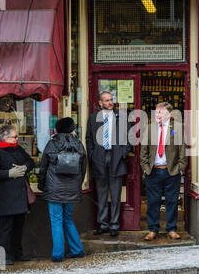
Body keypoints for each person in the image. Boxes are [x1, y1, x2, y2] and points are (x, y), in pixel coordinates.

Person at [38, 117, 87, 262]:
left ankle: (58, 254)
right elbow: (83, 169)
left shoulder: (52, 144)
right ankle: (77, 250)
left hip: (54, 189)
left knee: (56, 220)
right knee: (67, 219)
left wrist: (42, 185)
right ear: (72, 129)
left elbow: (43, 167)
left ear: (57, 130)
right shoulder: (79, 144)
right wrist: (78, 184)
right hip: (72, 189)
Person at [86, 91, 132, 237]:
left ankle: (114, 225)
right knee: (101, 194)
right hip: (99, 158)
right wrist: (92, 155)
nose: (110, 103)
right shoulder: (93, 118)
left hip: (116, 157)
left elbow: (130, 138)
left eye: (111, 100)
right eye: (106, 100)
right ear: (100, 103)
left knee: (116, 194)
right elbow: (88, 138)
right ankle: (103, 224)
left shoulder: (122, 117)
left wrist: (123, 153)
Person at [140, 102, 187, 241]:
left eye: (160, 112)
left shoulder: (177, 128)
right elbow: (143, 152)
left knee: (172, 201)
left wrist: (180, 168)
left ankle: (171, 229)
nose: (157, 114)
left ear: (168, 114)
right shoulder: (149, 128)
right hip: (153, 171)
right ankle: (153, 229)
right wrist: (146, 168)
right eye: (156, 112)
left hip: (171, 171)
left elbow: (182, 152)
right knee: (153, 202)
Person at [0, 124, 35, 265]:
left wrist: (25, 167)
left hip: (20, 197)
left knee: (18, 228)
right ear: (5, 137)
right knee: (5, 229)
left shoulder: (18, 149)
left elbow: (30, 161)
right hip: (5, 197)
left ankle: (17, 253)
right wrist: (8, 173)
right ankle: (4, 257)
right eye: (15, 137)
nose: (17, 139)